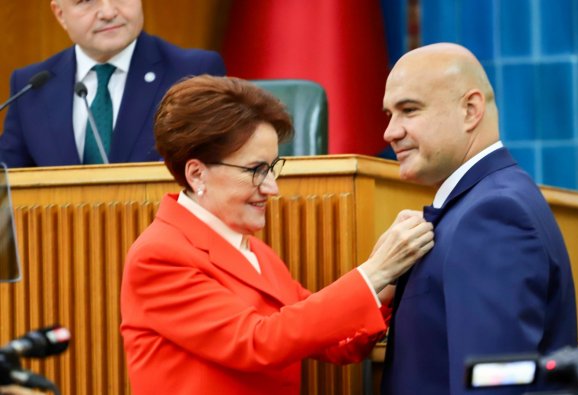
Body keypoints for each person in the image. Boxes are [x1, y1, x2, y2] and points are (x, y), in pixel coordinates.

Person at [119, 75, 434, 395]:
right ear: (197, 173)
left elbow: (338, 343)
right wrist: (374, 270)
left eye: (272, 168)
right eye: (256, 170)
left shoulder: (255, 252)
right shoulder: (158, 255)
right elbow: (258, 343)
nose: (272, 187)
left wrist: (388, 280)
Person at [380, 43, 578, 394]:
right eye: (389, 115)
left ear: (470, 110)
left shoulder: (493, 216)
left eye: (409, 110)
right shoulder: (482, 204)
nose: (390, 132)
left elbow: (492, 386)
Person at [0, 0, 226, 167]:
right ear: (60, 14)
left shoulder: (192, 73)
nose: (108, 12)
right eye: (86, 1)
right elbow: (8, 178)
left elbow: (213, 170)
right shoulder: (31, 86)